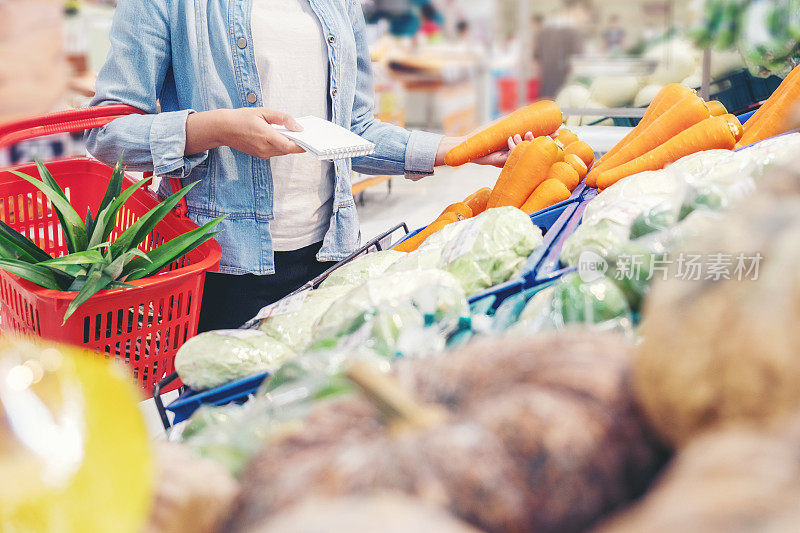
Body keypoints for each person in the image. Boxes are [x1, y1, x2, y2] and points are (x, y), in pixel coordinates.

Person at [86, 0, 523, 332]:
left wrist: (460, 148)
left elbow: (355, 129)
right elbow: (106, 132)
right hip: (222, 264)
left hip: (330, 255)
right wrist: (216, 128)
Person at [534, 0, 591, 98]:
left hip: (546, 89)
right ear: (578, 8)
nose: (586, 18)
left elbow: (536, 58)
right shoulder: (573, 31)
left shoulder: (546, 26)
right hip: (564, 92)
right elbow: (578, 63)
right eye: (586, 14)